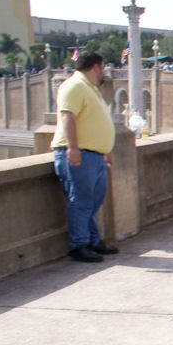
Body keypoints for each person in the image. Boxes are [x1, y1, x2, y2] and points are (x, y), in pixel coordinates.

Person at [50, 51, 118, 263]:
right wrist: (73, 148)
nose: (104, 71)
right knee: (80, 201)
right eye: (103, 67)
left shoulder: (90, 89)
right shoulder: (74, 86)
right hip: (80, 154)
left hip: (95, 155)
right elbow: (67, 116)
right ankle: (79, 245)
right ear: (96, 67)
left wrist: (105, 149)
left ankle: (92, 241)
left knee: (92, 202)